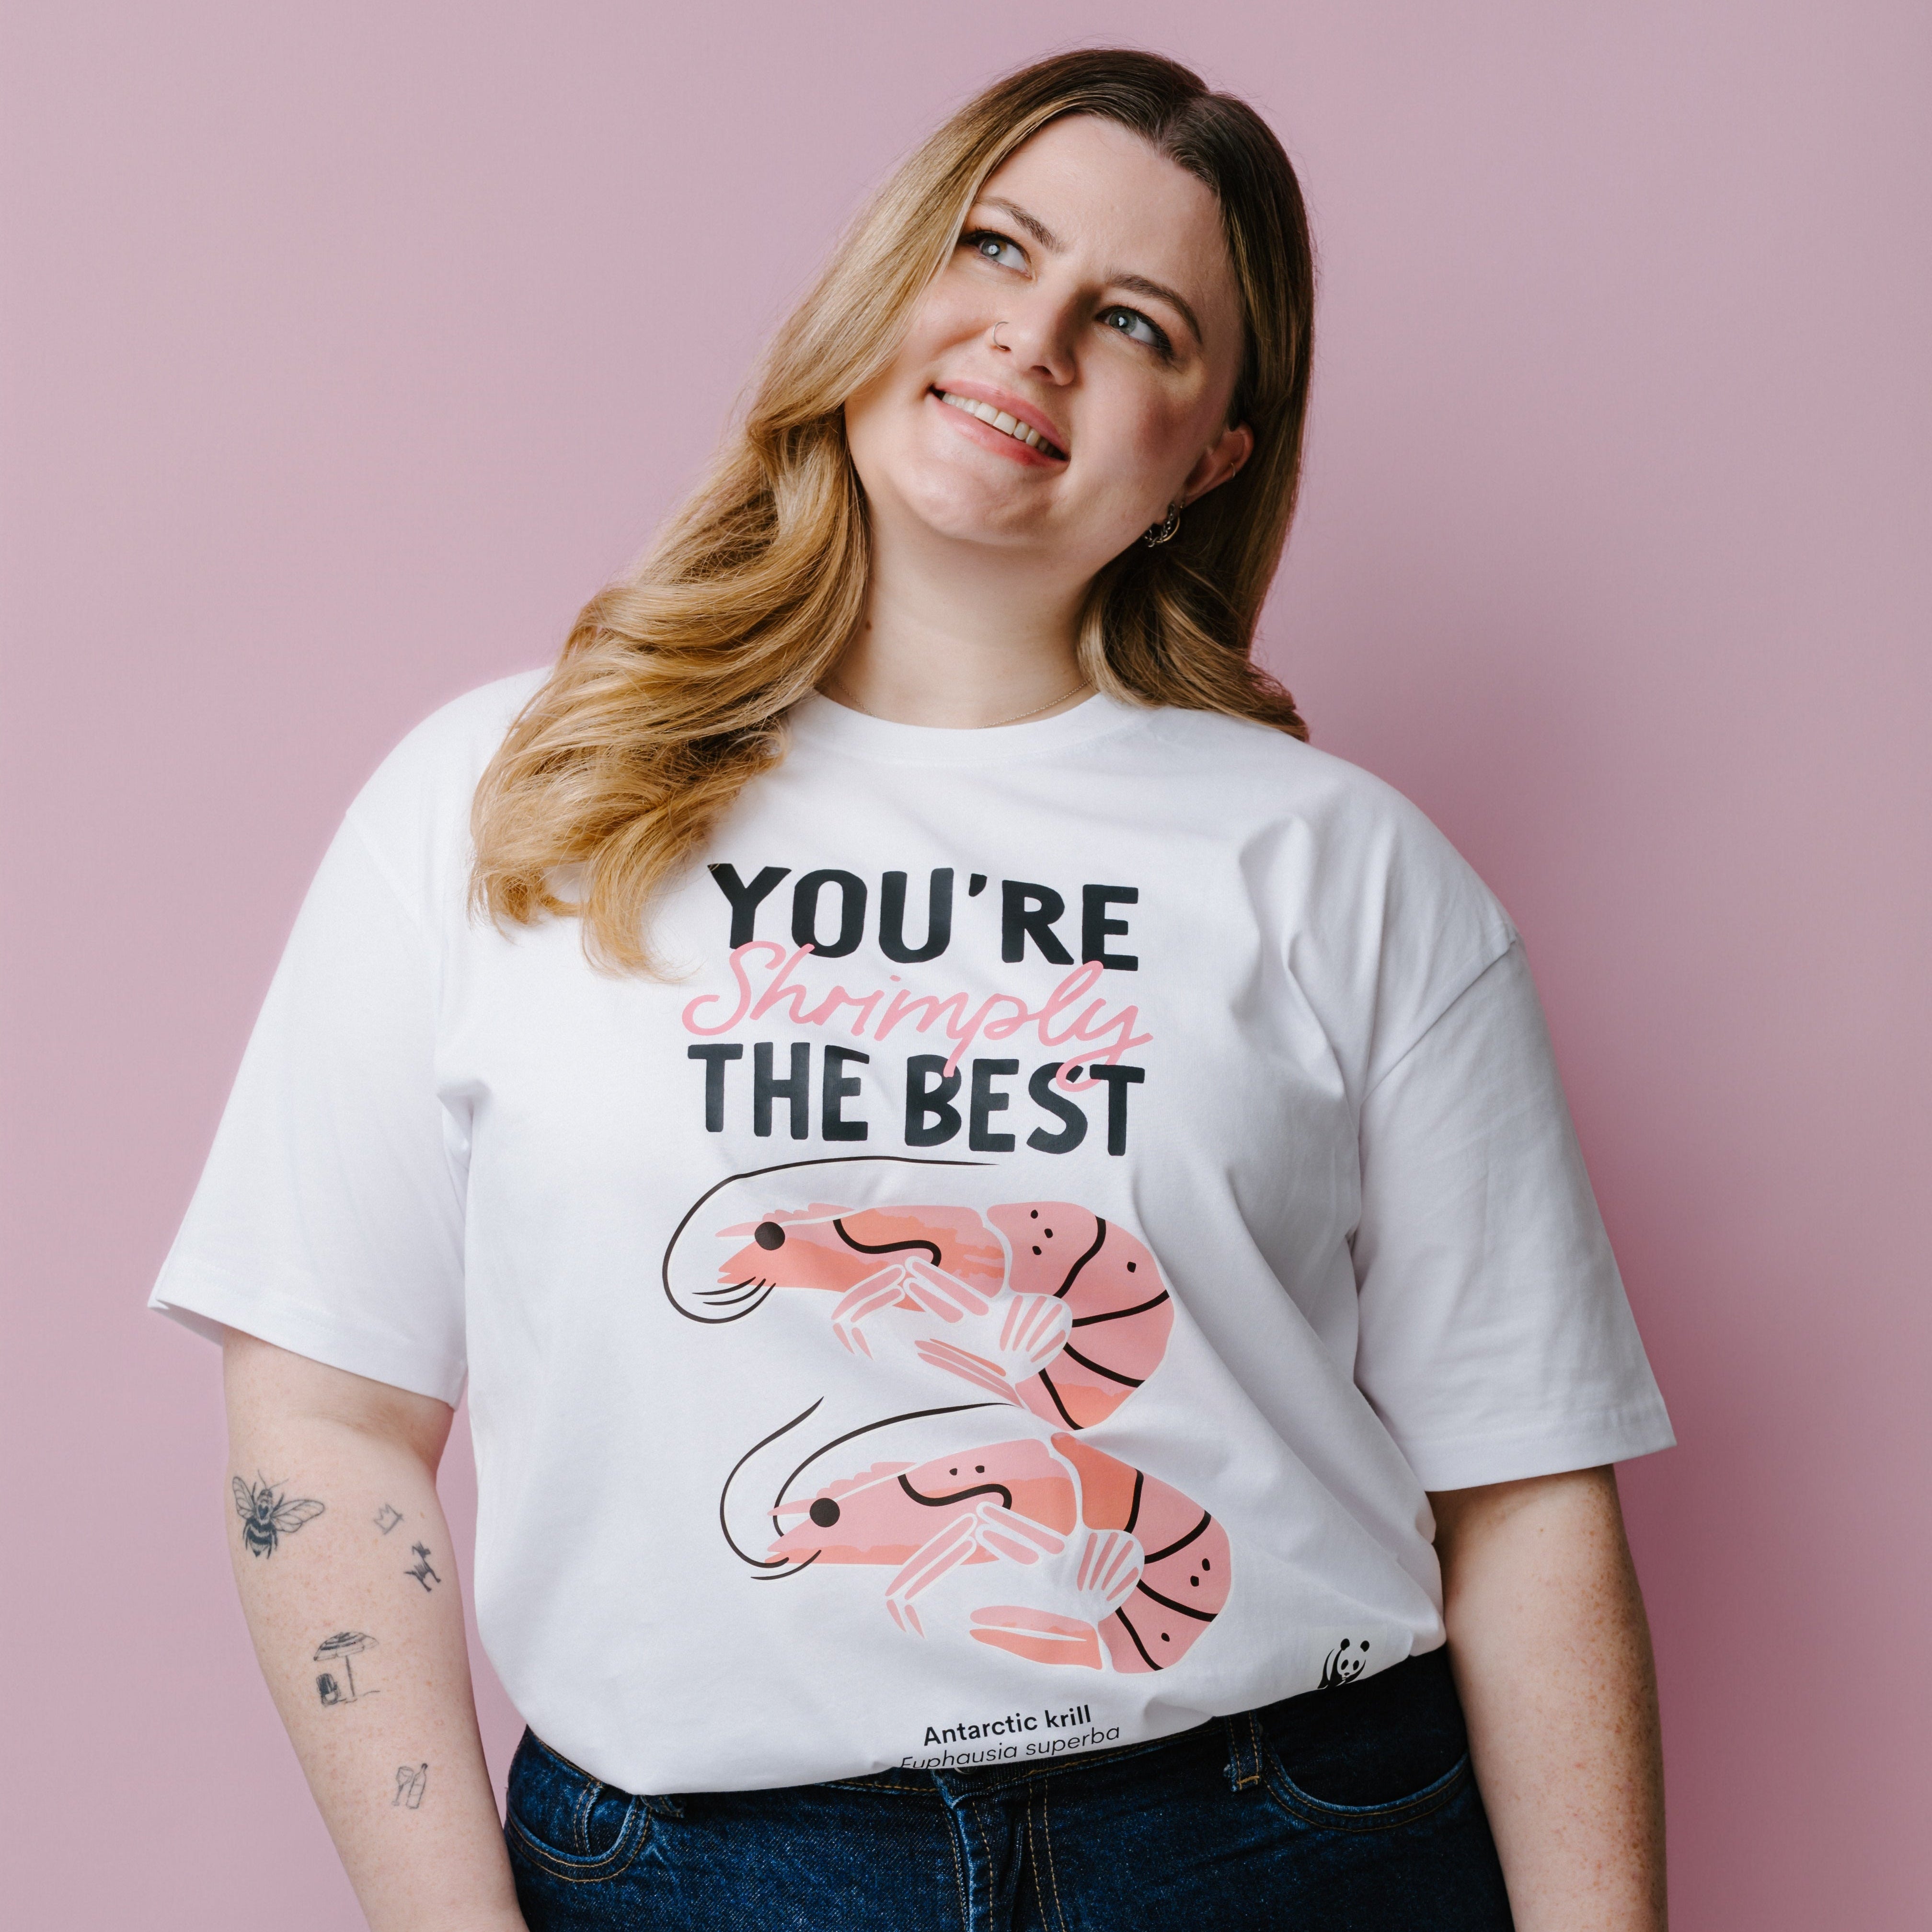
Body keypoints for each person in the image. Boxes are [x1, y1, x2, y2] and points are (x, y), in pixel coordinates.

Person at [152, 48, 1674, 1932]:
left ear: (1212, 453)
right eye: (993, 247)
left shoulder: (1348, 870)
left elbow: (1525, 1496)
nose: (1034, 339)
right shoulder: (503, 798)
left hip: (1277, 1836)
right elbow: (325, 1424)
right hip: (697, 1876)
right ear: (879, 283)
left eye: (1135, 321)